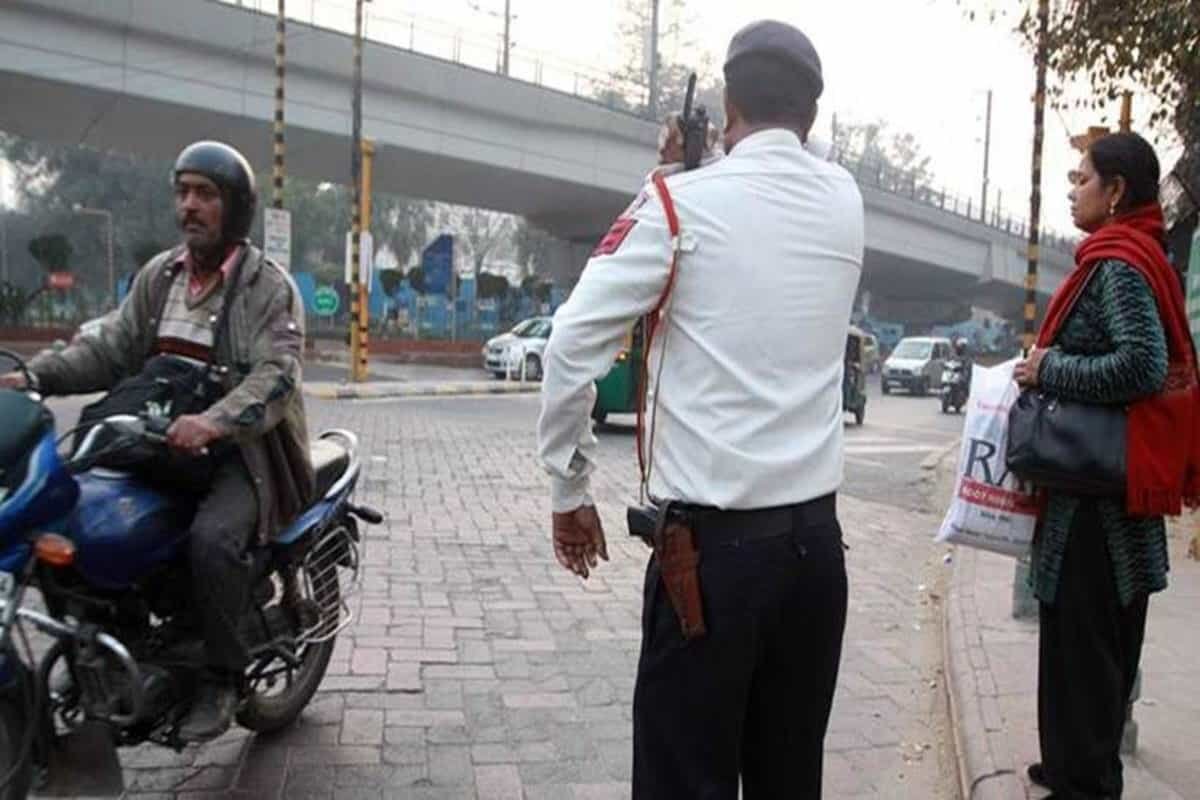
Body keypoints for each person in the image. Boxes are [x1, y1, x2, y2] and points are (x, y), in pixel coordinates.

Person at [537, 20, 864, 799]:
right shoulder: (845, 199)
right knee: (790, 780)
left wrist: (569, 488)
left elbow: (567, 348)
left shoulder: (676, 204)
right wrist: (702, 165)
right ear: (812, 115)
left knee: (684, 780)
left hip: (711, 571)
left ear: (726, 102)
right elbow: (789, 169)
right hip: (818, 558)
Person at [0, 140, 315, 742]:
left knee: (212, 541)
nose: (190, 206)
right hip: (157, 441)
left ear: (236, 208)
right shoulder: (160, 276)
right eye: (183, 191)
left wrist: (216, 421)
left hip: (243, 456)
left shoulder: (265, 287)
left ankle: (222, 678)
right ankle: (109, 641)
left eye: (206, 194)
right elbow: (109, 349)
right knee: (74, 513)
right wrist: (34, 377)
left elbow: (276, 377)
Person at [1013, 132, 1199, 799]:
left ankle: (1084, 783)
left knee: (1087, 659)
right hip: (1097, 499)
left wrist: (1047, 367)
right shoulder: (1126, 256)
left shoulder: (1121, 265)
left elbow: (1144, 365)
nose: (1072, 186)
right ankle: (1068, 770)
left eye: (1082, 176)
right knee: (1079, 654)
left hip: (1101, 511)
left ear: (1116, 190)